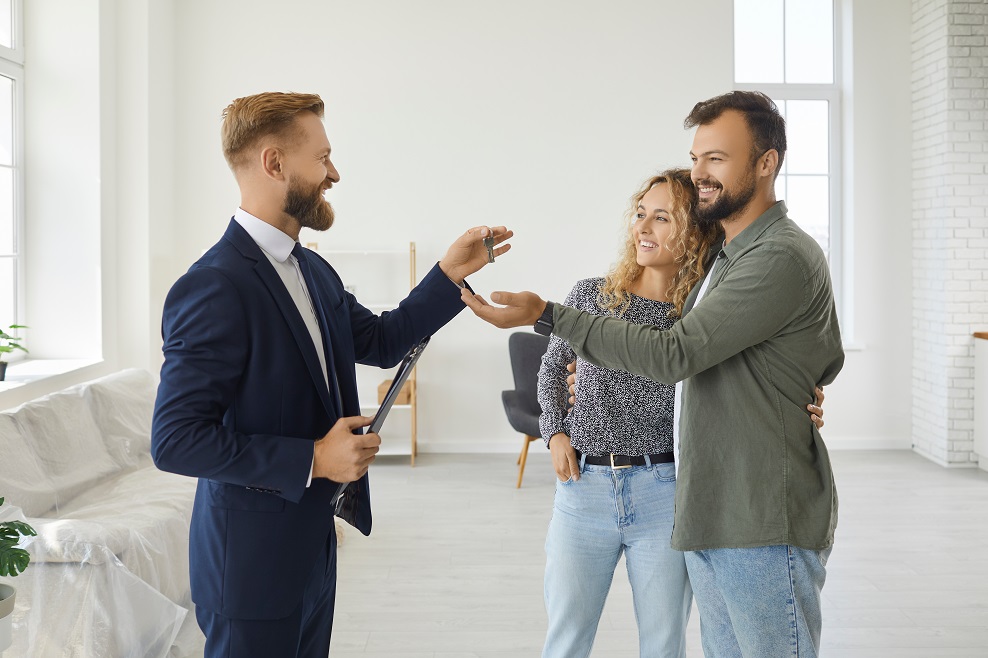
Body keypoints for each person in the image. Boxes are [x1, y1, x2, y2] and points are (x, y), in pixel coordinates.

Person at [463, 90, 843, 657]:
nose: (701, 172)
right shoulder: (725, 264)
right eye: (697, 158)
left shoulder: (775, 256)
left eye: (717, 158)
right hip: (707, 511)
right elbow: (815, 356)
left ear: (767, 163)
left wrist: (547, 314)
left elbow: (675, 355)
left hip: (754, 517)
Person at [150, 91, 511, 658]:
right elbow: (175, 441)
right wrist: (315, 459)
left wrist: (448, 274)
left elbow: (382, 340)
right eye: (322, 159)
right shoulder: (214, 285)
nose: (334, 173)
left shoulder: (311, 267)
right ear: (275, 163)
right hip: (250, 566)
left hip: (313, 549)